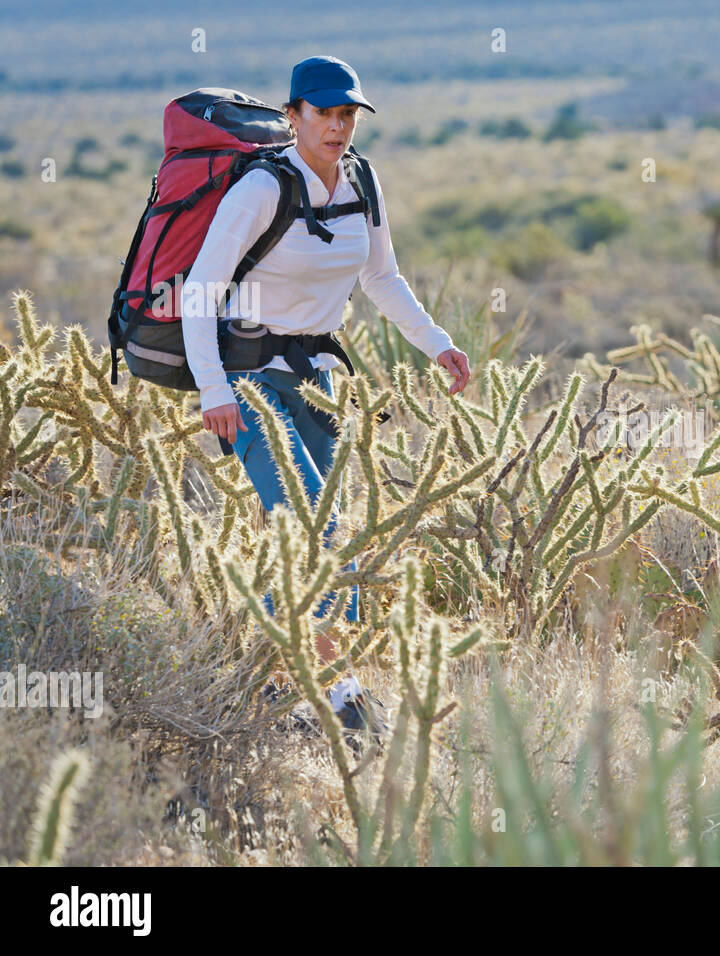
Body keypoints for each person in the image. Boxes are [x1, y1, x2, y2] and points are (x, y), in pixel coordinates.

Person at [181, 55, 471, 743]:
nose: (337, 127)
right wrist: (213, 389)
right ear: (293, 115)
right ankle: (333, 692)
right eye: (323, 113)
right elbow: (200, 291)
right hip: (249, 377)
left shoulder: (362, 180)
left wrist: (437, 343)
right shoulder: (260, 187)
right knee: (314, 527)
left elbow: (382, 277)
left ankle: (278, 679)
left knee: (327, 533)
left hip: (321, 382)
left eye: (347, 115)